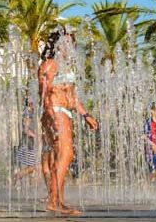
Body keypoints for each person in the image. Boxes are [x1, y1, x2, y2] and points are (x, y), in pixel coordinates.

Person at [38, 31, 98, 216]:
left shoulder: (66, 67)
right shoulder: (50, 64)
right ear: (57, 46)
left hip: (64, 112)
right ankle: (53, 200)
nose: (69, 47)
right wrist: (51, 115)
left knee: (60, 157)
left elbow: (72, 98)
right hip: (55, 111)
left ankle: (59, 201)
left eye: (71, 43)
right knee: (67, 153)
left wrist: (86, 115)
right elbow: (44, 94)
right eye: (65, 43)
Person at [13, 96, 40, 184]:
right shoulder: (27, 113)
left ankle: (18, 178)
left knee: (35, 166)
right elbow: (26, 130)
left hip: (30, 142)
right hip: (28, 143)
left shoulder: (30, 111)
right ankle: (17, 176)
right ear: (29, 103)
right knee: (34, 166)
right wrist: (36, 136)